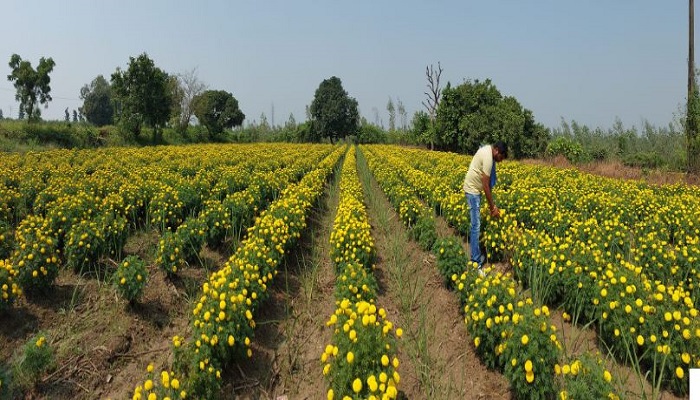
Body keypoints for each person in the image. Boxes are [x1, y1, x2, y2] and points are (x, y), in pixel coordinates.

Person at [462, 141, 508, 275]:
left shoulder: (488, 151)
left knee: (476, 225)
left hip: (475, 190)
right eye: (502, 158)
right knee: (475, 226)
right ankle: (475, 263)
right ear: (497, 151)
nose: (501, 161)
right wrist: (492, 207)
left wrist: (492, 205)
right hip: (472, 191)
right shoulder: (488, 157)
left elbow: (487, 185)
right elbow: (486, 185)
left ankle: (476, 255)